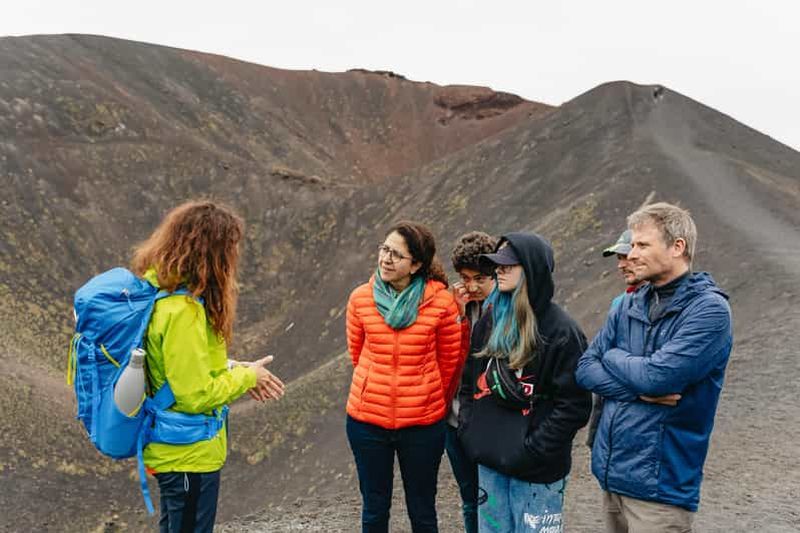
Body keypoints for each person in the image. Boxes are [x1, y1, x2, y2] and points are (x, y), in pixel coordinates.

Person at [576, 202, 733, 532]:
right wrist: (639, 392)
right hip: (611, 475)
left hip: (660, 488)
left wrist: (615, 356)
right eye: (632, 245)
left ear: (678, 247)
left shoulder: (709, 311)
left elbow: (657, 378)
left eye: (641, 245)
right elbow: (586, 366)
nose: (631, 254)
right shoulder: (628, 303)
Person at [132, 200, 285, 533]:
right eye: (230, 249)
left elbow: (182, 368)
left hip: (179, 450)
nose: (234, 258)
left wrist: (234, 367)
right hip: (188, 454)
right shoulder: (183, 311)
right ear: (211, 253)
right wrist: (247, 377)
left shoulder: (168, 294)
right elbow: (195, 395)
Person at [458, 232, 592, 533]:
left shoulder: (561, 332)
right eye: (497, 264)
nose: (499, 270)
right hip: (491, 463)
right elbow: (469, 382)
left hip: (537, 474)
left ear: (532, 269)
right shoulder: (490, 322)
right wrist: (471, 431)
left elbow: (575, 405)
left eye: (509, 264)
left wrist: (533, 450)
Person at [345, 221, 466, 533]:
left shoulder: (440, 303)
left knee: (422, 508)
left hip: (423, 426)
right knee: (374, 507)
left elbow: (449, 363)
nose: (386, 259)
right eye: (385, 249)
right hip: (367, 421)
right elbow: (357, 355)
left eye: (396, 255)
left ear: (416, 265)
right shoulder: (361, 298)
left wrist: (424, 396)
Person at [446, 231, 498, 533]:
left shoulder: (506, 309)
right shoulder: (458, 307)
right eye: (466, 278)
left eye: (480, 278)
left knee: (492, 498)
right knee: (469, 498)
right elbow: (451, 360)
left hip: (490, 423)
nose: (473, 286)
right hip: (454, 421)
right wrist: (459, 317)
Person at [585, 229, 645, 448]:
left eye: (626, 257)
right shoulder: (619, 302)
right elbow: (591, 363)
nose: (621, 265)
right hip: (608, 412)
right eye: (619, 258)